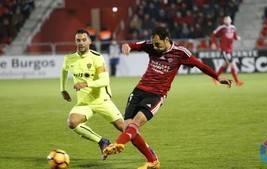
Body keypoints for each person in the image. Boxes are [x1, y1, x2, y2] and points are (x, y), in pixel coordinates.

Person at [103, 26, 232, 169]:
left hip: (156, 94)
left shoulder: (180, 52)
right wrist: (126, 47)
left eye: (158, 44)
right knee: (128, 130)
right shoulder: (150, 45)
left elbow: (200, 65)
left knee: (136, 122)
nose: (155, 47)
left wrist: (218, 78)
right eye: (154, 43)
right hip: (138, 91)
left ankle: (117, 144)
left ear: (166, 40)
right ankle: (153, 160)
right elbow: (131, 45)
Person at [60, 29, 124, 160]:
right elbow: (64, 71)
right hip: (84, 103)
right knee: (72, 122)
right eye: (78, 40)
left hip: (102, 100)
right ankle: (102, 141)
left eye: (84, 40)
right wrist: (63, 89)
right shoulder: (69, 59)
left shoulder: (96, 57)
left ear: (89, 41)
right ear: (75, 41)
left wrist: (85, 84)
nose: (81, 43)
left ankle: (148, 152)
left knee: (124, 128)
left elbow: (105, 80)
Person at [211, 16, 244, 86]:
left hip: (230, 50)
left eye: (228, 19)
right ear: (224, 21)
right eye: (225, 19)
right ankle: (237, 81)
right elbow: (213, 34)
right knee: (232, 64)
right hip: (224, 50)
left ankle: (214, 78)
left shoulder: (233, 28)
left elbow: (234, 36)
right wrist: (213, 43)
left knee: (225, 64)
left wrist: (237, 38)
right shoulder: (221, 28)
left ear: (231, 20)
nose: (227, 20)